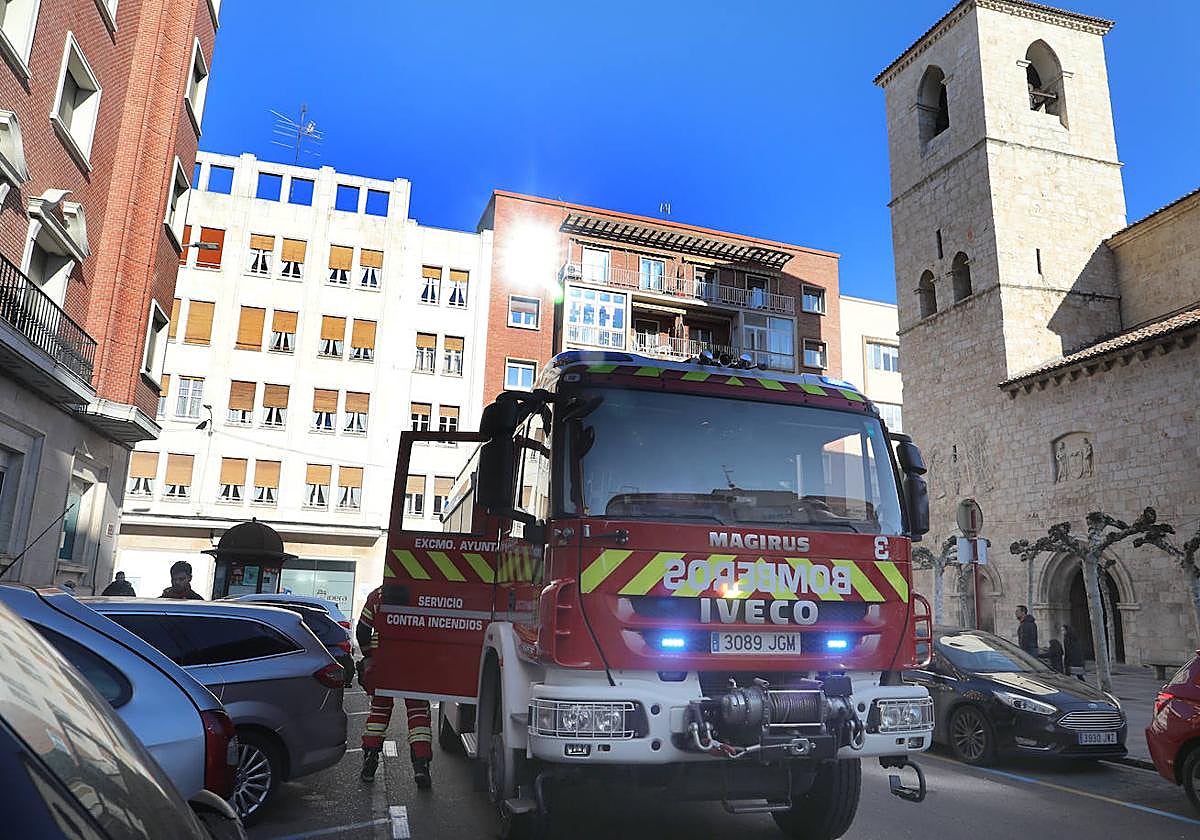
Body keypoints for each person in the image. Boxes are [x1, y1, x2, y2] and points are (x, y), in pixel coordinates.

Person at [357, 586, 432, 788]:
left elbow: (362, 630)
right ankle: (421, 766)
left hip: (384, 663)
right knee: (418, 714)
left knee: (379, 712)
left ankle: (370, 760)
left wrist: (369, 656)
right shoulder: (425, 594)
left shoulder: (378, 595)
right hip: (415, 664)